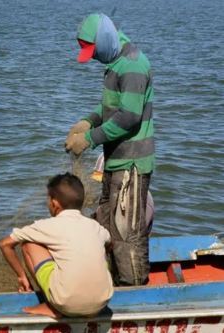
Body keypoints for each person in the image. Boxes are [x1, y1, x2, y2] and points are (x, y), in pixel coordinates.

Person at [64, 13, 154, 286]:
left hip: (132, 163)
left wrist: (89, 139)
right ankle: (113, 281)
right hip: (115, 160)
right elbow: (110, 109)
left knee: (127, 233)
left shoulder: (133, 65)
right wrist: (88, 121)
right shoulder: (115, 63)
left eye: (93, 51)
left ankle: (136, 293)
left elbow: (129, 117)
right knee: (106, 223)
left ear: (104, 39)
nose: (92, 57)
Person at [0, 173, 113, 318]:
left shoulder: (46, 226)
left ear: (54, 203)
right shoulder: (95, 226)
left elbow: (4, 244)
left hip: (66, 304)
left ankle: (53, 306)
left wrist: (22, 276)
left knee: (29, 244)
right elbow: (110, 244)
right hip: (101, 303)